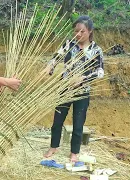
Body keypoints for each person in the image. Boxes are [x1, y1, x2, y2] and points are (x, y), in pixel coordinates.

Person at [44, 16, 104, 162]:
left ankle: (74, 152)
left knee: (78, 123)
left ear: (89, 31)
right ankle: (53, 147)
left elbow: (100, 72)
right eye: (76, 31)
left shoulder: (96, 50)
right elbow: (56, 57)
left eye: (82, 31)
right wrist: (49, 67)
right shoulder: (69, 44)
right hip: (64, 88)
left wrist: (83, 79)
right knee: (57, 120)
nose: (78, 34)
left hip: (82, 91)